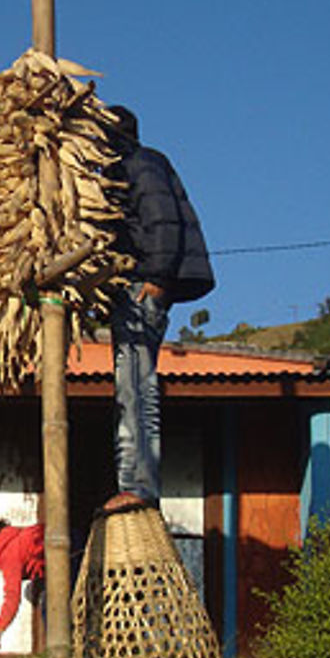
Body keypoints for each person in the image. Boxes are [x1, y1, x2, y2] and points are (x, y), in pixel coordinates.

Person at [103, 105, 215, 513]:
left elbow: (162, 221)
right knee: (130, 385)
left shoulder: (140, 164)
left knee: (136, 385)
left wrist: (156, 277)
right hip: (137, 285)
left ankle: (139, 484)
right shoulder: (133, 166)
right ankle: (133, 481)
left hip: (144, 285)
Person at [0, 518, 45, 653]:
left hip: (68, 555)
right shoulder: (11, 540)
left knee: (47, 602)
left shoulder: (7, 554)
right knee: (32, 592)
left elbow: (12, 597)